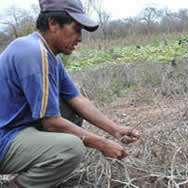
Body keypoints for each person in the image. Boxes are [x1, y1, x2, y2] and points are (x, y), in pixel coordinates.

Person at [0, 0, 140, 187]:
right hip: (5, 137)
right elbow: (51, 123)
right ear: (52, 23)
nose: (80, 38)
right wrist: (102, 144)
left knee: (70, 108)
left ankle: (36, 170)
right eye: (76, 29)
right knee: (70, 149)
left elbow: (76, 99)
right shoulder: (34, 53)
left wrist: (115, 130)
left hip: (15, 130)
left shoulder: (47, 53)